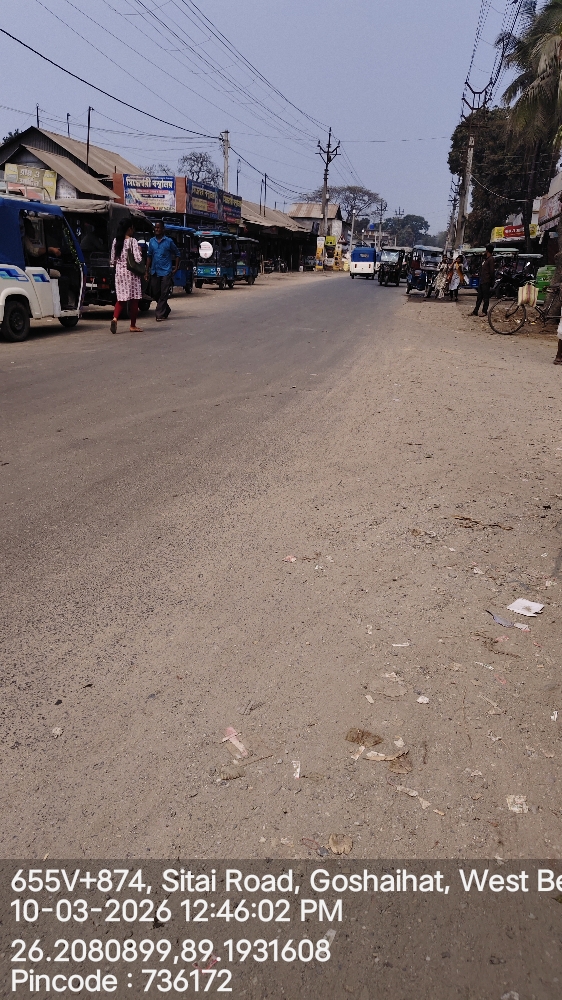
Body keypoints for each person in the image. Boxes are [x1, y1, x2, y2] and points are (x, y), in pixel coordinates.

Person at [110, 217, 143, 334]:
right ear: (129, 229)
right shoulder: (132, 241)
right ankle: (132, 325)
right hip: (131, 274)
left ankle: (115, 318)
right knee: (134, 300)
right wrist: (139, 250)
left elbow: (112, 260)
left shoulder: (116, 241)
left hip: (120, 274)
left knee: (121, 299)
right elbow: (138, 259)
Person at [146, 221, 179, 322]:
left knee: (164, 293)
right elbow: (149, 256)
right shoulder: (152, 241)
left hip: (166, 271)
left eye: (158, 228)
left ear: (163, 229)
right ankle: (166, 309)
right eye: (155, 228)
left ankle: (159, 314)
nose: (156, 229)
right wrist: (146, 270)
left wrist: (176, 267)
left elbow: (177, 254)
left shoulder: (169, 241)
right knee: (155, 293)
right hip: (155, 271)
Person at [471, 245, 495, 316]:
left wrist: (491, 280)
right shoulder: (486, 259)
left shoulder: (491, 259)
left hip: (486, 281)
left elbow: (492, 271)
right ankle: (475, 311)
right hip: (482, 280)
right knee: (479, 297)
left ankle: (484, 311)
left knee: (485, 297)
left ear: (487, 250)